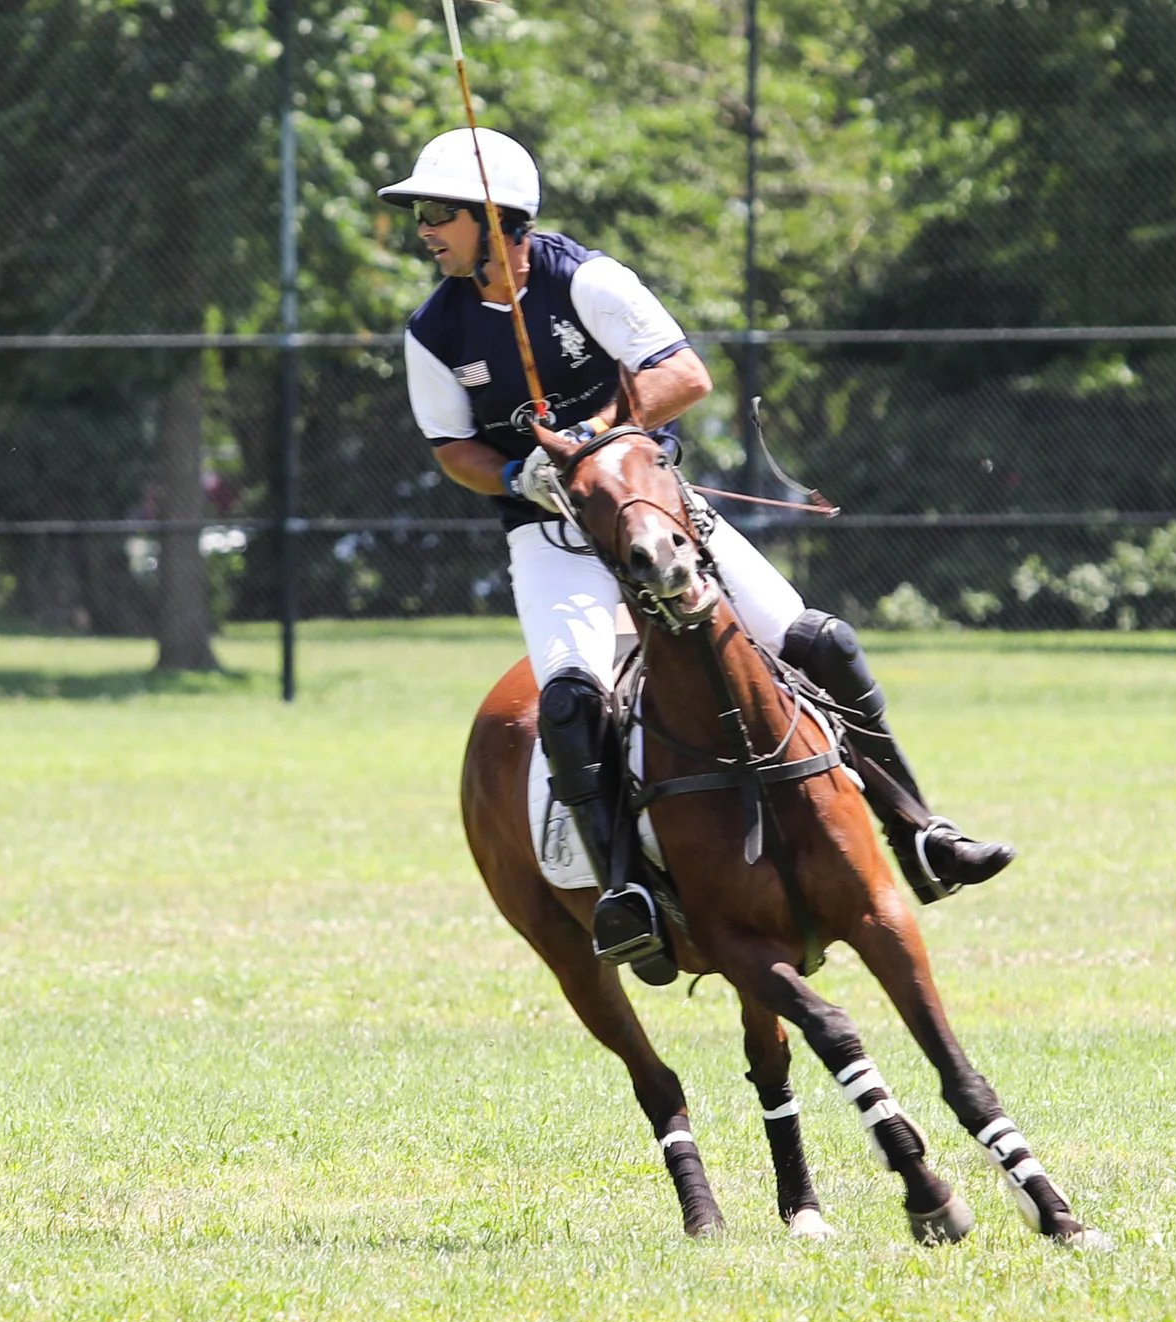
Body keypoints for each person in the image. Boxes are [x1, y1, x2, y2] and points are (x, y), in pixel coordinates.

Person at [385, 128, 1013, 974]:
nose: (423, 229)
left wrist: (592, 439)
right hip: (553, 538)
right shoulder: (434, 330)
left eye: (437, 212)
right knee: (570, 702)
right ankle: (624, 892)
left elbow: (683, 373)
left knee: (820, 640)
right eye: (420, 214)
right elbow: (450, 449)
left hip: (653, 510)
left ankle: (918, 832)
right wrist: (518, 471)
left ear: (497, 218)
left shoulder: (590, 281)